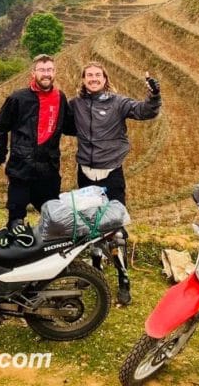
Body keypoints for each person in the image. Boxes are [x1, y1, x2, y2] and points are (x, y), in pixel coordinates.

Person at [70, 62, 161, 305]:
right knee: (91, 224)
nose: (93, 79)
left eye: (97, 75)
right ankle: (95, 269)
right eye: (89, 75)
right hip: (86, 173)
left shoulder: (118, 103)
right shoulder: (76, 105)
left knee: (115, 229)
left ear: (105, 78)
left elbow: (145, 111)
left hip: (111, 173)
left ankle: (123, 279)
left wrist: (154, 95)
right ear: (83, 79)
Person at [0, 54, 75, 243]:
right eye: (42, 70)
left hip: (49, 170)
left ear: (55, 72)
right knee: (16, 223)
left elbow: (70, 127)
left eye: (50, 70)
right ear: (34, 72)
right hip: (21, 170)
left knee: (54, 221)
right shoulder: (18, 98)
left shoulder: (60, 98)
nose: (46, 74)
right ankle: (16, 261)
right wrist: (1, 157)